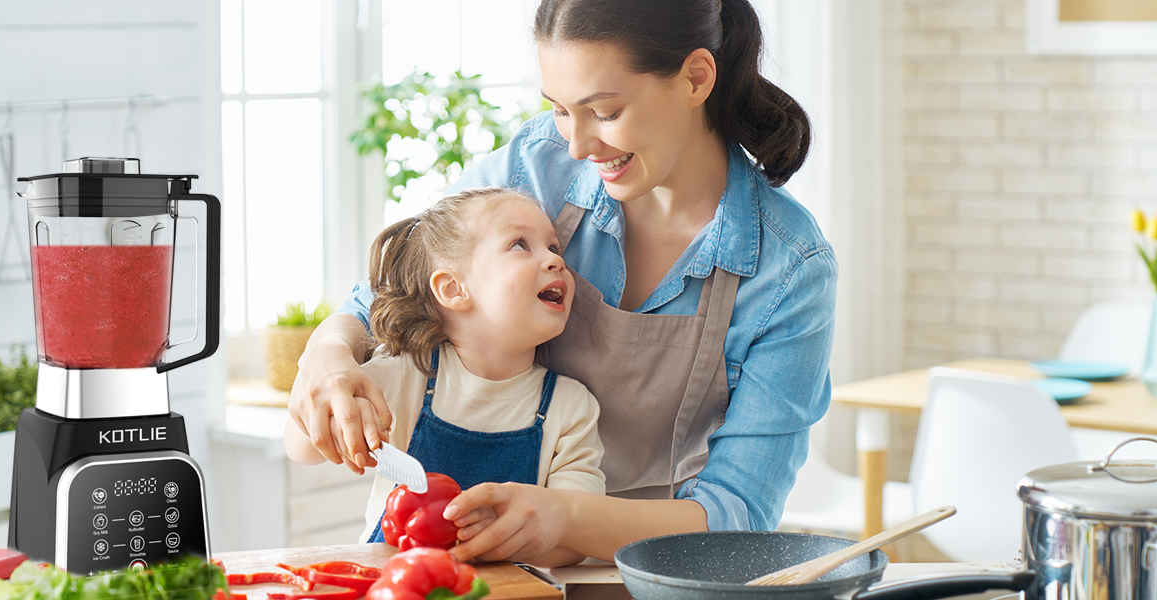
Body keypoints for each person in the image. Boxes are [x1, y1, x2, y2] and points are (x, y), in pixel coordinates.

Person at [289, 0, 836, 563]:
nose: (577, 146)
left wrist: (564, 516)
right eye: (558, 110)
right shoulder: (540, 165)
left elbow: (738, 516)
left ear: (696, 78)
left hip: (654, 572)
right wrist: (328, 356)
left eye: (604, 111)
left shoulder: (789, 268)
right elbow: (385, 295)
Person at [283, 187, 606, 567]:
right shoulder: (405, 375)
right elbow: (300, 449)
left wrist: (504, 535)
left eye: (555, 248)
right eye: (521, 244)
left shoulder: (571, 408)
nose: (555, 261)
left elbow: (575, 540)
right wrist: (335, 420)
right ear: (453, 289)